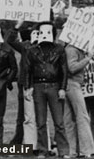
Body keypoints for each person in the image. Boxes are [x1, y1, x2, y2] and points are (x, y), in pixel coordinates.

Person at [24, 22, 70, 158]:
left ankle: (63, 151)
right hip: (38, 86)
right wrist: (28, 87)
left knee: (59, 122)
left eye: (48, 32)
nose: (44, 35)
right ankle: (43, 150)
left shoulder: (59, 50)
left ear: (53, 34)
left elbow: (64, 70)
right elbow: (28, 70)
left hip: (54, 86)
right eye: (42, 32)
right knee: (41, 121)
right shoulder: (32, 51)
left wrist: (62, 88)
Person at [64, 44, 94, 158]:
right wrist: (88, 58)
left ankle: (72, 151)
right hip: (72, 84)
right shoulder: (72, 49)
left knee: (69, 119)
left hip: (70, 84)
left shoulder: (72, 49)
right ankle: (86, 150)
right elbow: (72, 68)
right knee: (82, 116)